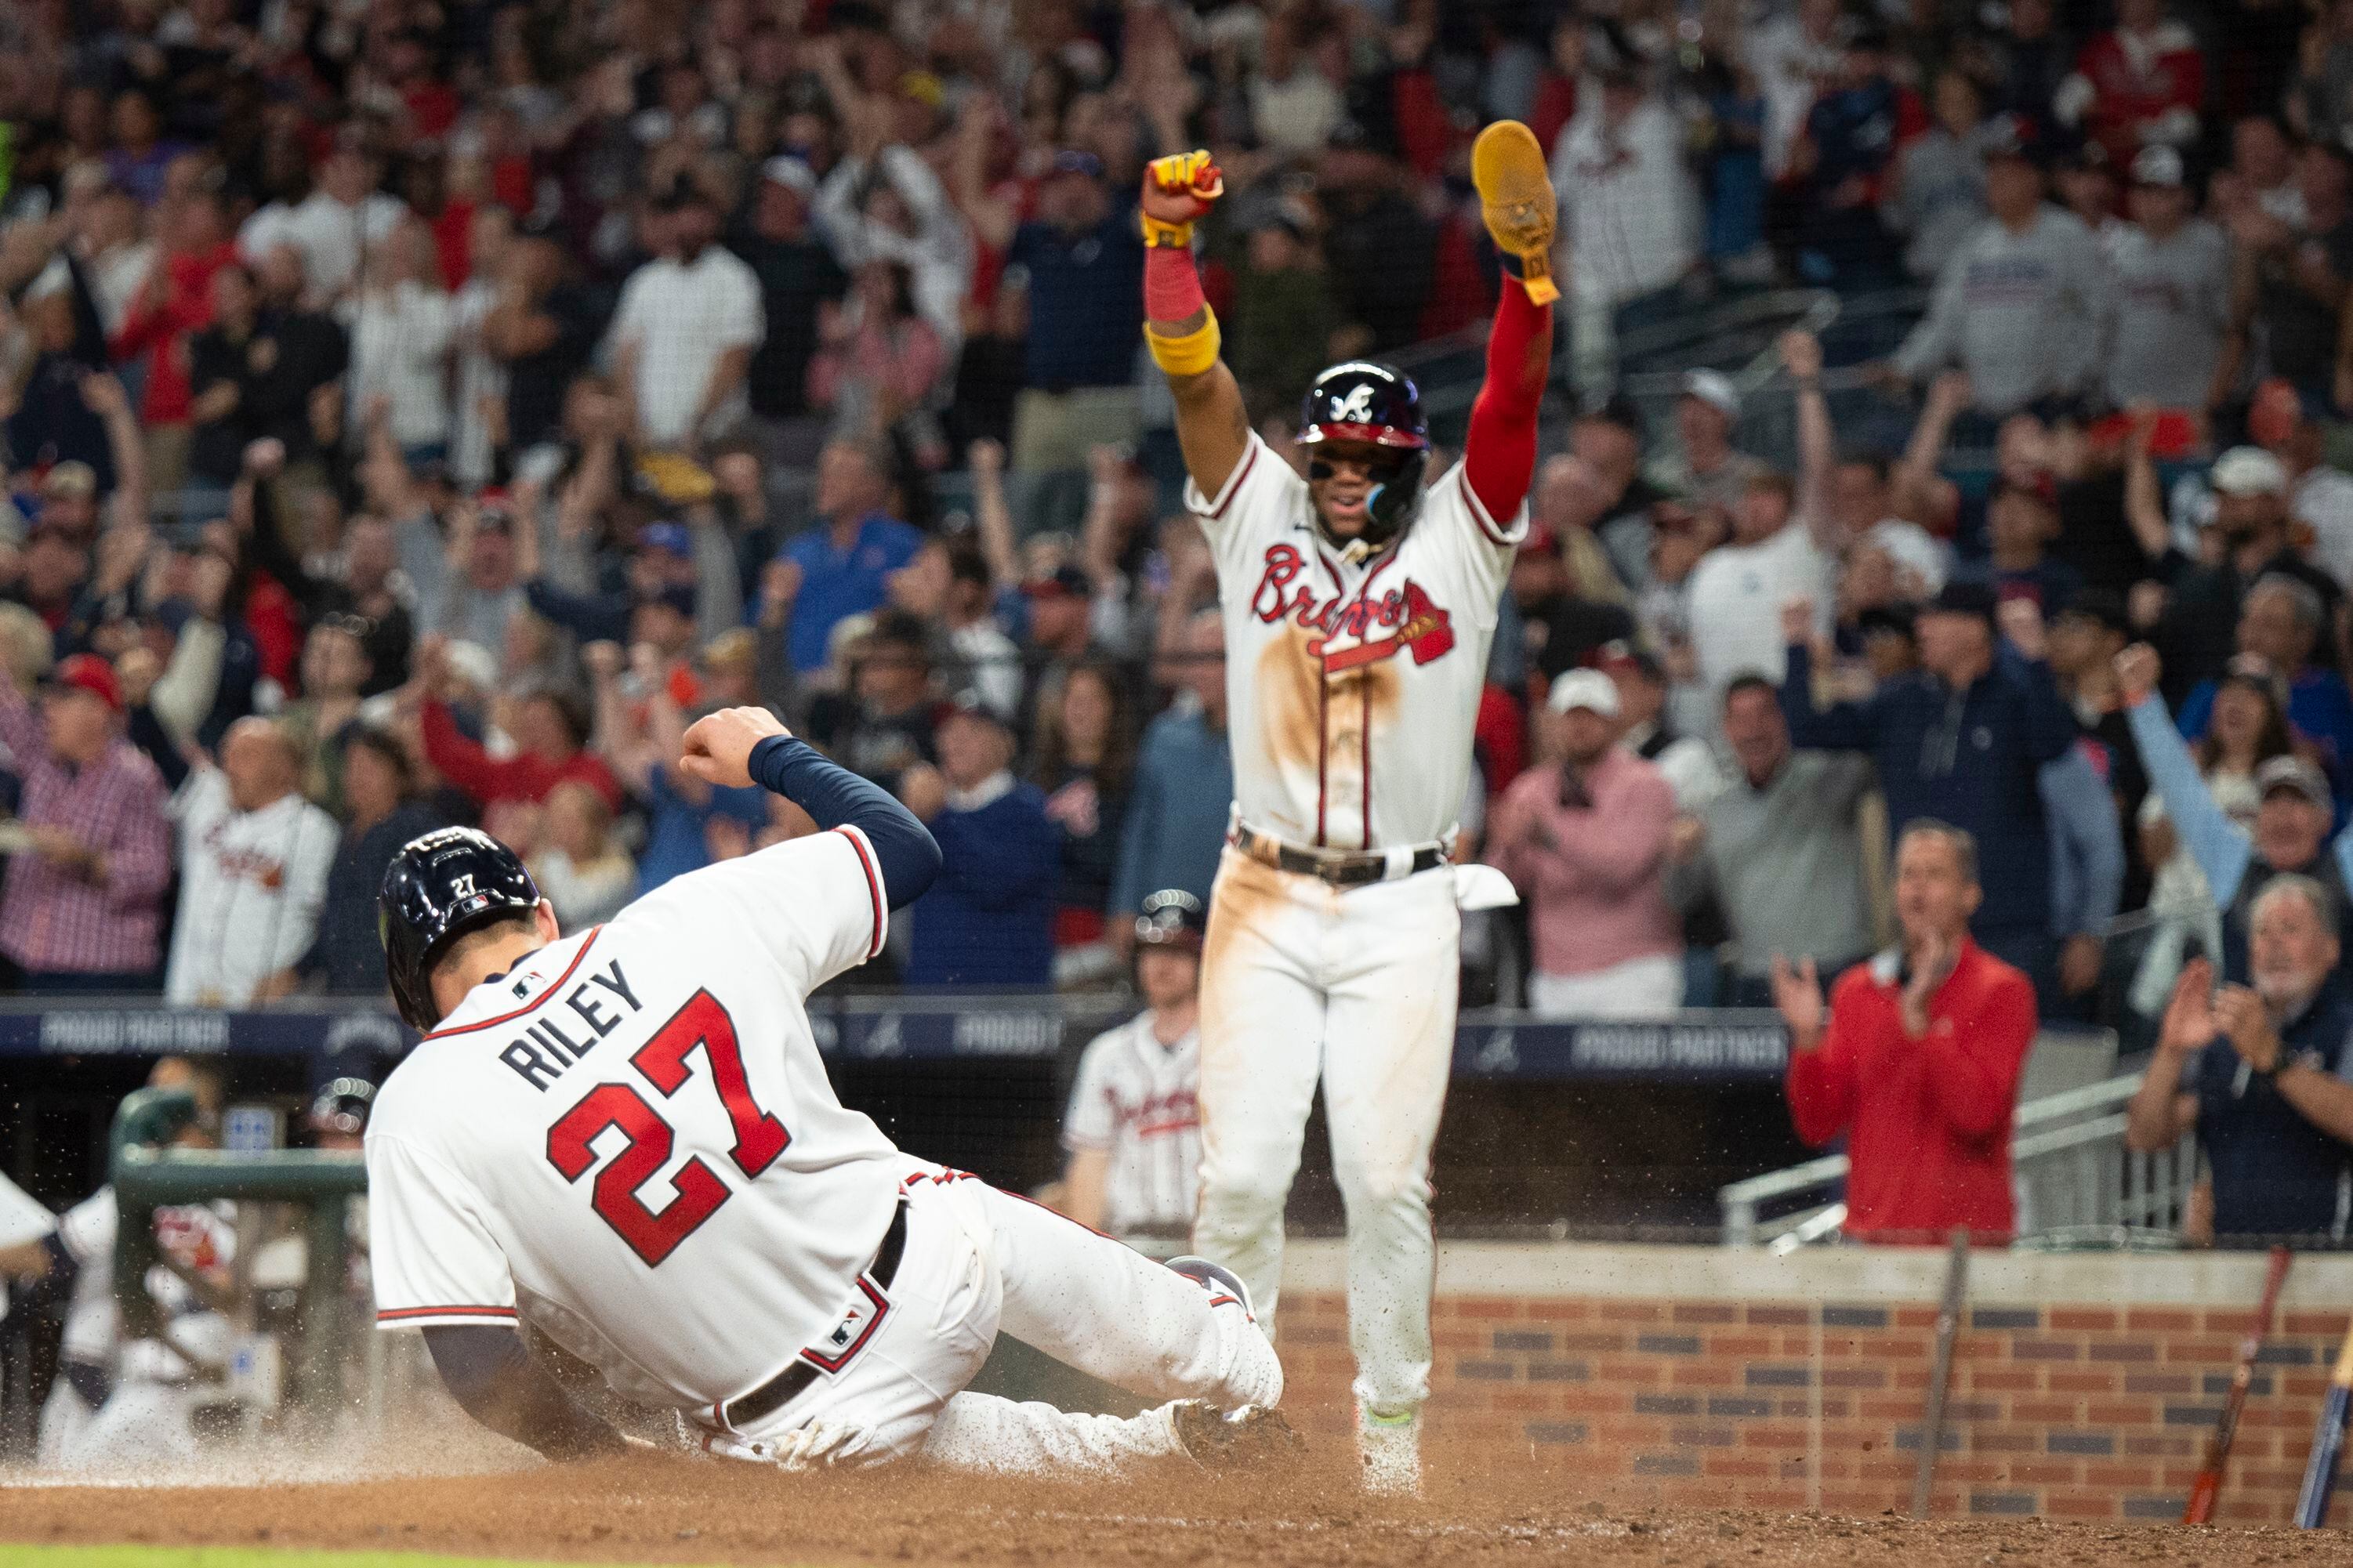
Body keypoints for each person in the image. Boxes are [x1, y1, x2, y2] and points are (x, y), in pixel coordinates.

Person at [366, 710, 1290, 1473]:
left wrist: (616, 1465)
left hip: (796, 1436)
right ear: (543, 915)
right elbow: (906, 849)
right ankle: (1235, 1378)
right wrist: (771, 749)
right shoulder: (680, 919)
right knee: (1193, 1323)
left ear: (416, 1000)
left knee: (1057, 1466)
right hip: (931, 1275)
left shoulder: (417, 1109)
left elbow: (483, 1365)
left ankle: (1164, 1452)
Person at [1137, 132, 1547, 1491]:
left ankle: (1388, 1442)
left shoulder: (1463, 543)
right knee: (1243, 1180)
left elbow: (1508, 411)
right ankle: (1233, 1412)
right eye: (1330, 454)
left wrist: (1525, 281)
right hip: (1261, 890)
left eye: (1370, 456)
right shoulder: (1254, 520)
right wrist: (1166, 251)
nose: (1343, 476)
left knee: (1385, 1183)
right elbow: (1195, 382)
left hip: (1403, 901)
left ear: (1407, 464)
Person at [1782, 584, 2079, 988]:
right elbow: (1806, 731)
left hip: (2010, 924)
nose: (1921, 627)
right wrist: (1796, 648)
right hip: (1922, 927)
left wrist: (2037, 661)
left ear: (1975, 630)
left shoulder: (2015, 697)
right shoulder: (1900, 703)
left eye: (1936, 616)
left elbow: (2055, 743)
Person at [1771, 821, 2039, 1242]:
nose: (1917, 890)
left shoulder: (2003, 990)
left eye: (1934, 875)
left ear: (1970, 895)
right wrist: (1807, 1041)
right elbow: (1818, 1125)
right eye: (1908, 874)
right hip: (1873, 1240)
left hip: (1965, 1248)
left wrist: (1919, 1022)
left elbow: (1977, 1115)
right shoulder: (1857, 991)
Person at [2126, 882, 2353, 1244]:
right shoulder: (2226, 1034)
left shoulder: (2345, 1025)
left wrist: (2272, 1058)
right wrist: (2171, 1048)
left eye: (2291, 930)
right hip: (2233, 1262)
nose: (2275, 943)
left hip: (2330, 1263)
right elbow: (2145, 1136)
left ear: (2330, 948)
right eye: (2263, 932)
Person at [2119, 642, 2353, 981]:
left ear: (2326, 820)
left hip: (2333, 1029)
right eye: (2272, 802)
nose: (2284, 816)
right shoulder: (2232, 864)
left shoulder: (2345, 868)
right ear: (2257, 821)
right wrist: (2141, 699)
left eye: (2299, 801)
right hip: (2237, 1021)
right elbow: (2177, 784)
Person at [1486, 670, 1681, 1017]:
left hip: (1634, 971)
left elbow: (1624, 867)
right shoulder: (1530, 789)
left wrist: (1548, 836)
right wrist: (1510, 846)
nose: (1580, 726)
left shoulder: (1647, 783)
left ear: (1613, 721)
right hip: (1555, 974)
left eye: (1591, 716)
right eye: (1570, 716)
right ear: (1553, 723)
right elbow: (1504, 883)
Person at [1679, 675, 1876, 1008]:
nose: (1753, 730)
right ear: (1725, 729)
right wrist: (1677, 857)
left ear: (1785, 716)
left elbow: (1876, 749)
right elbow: (1680, 897)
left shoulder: (1829, 777)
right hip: (1758, 975)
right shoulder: (1711, 807)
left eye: (1764, 714)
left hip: (1836, 965)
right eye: (1740, 719)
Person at [0, 653, 172, 991]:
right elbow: (8, 710)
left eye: (63, 699)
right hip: (23, 952)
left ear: (99, 710)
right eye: (49, 698)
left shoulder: (136, 777)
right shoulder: (43, 762)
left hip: (99, 967)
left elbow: (154, 872)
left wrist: (87, 858)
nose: (48, 709)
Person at [164, 718, 340, 1009]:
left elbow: (332, 923)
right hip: (191, 1007)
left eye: (246, 755)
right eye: (227, 755)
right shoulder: (209, 812)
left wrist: (297, 973)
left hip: (268, 1015)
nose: (230, 767)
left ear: (284, 767)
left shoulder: (314, 830)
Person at [1061, 891, 1206, 1237]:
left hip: (1209, 1240)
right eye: (1152, 951)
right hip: (1131, 1242)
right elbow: (1090, 1163)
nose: (1162, 965)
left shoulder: (1231, 1049)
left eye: (1177, 952)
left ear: (1203, 960)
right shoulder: (1107, 1054)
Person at [897, 697, 1059, 988]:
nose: (956, 741)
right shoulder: (923, 814)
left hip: (1006, 1001)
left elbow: (996, 883)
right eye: (948, 732)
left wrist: (938, 817)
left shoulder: (1028, 809)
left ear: (1005, 742)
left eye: (972, 731)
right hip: (931, 998)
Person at [606, 179, 763, 453]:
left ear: (714, 221)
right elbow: (625, 357)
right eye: (684, 215)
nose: (691, 224)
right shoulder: (646, 280)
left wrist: (697, 425)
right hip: (648, 437)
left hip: (713, 437)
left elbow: (734, 358)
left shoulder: (735, 278)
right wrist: (632, 426)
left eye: (700, 216)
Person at [1111, 609, 1232, 932]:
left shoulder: (1261, 743)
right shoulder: (1164, 735)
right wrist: (1124, 906)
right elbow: (1141, 828)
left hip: (1234, 914)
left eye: (1214, 659)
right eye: (1193, 659)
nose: (1200, 673)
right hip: (1165, 915)